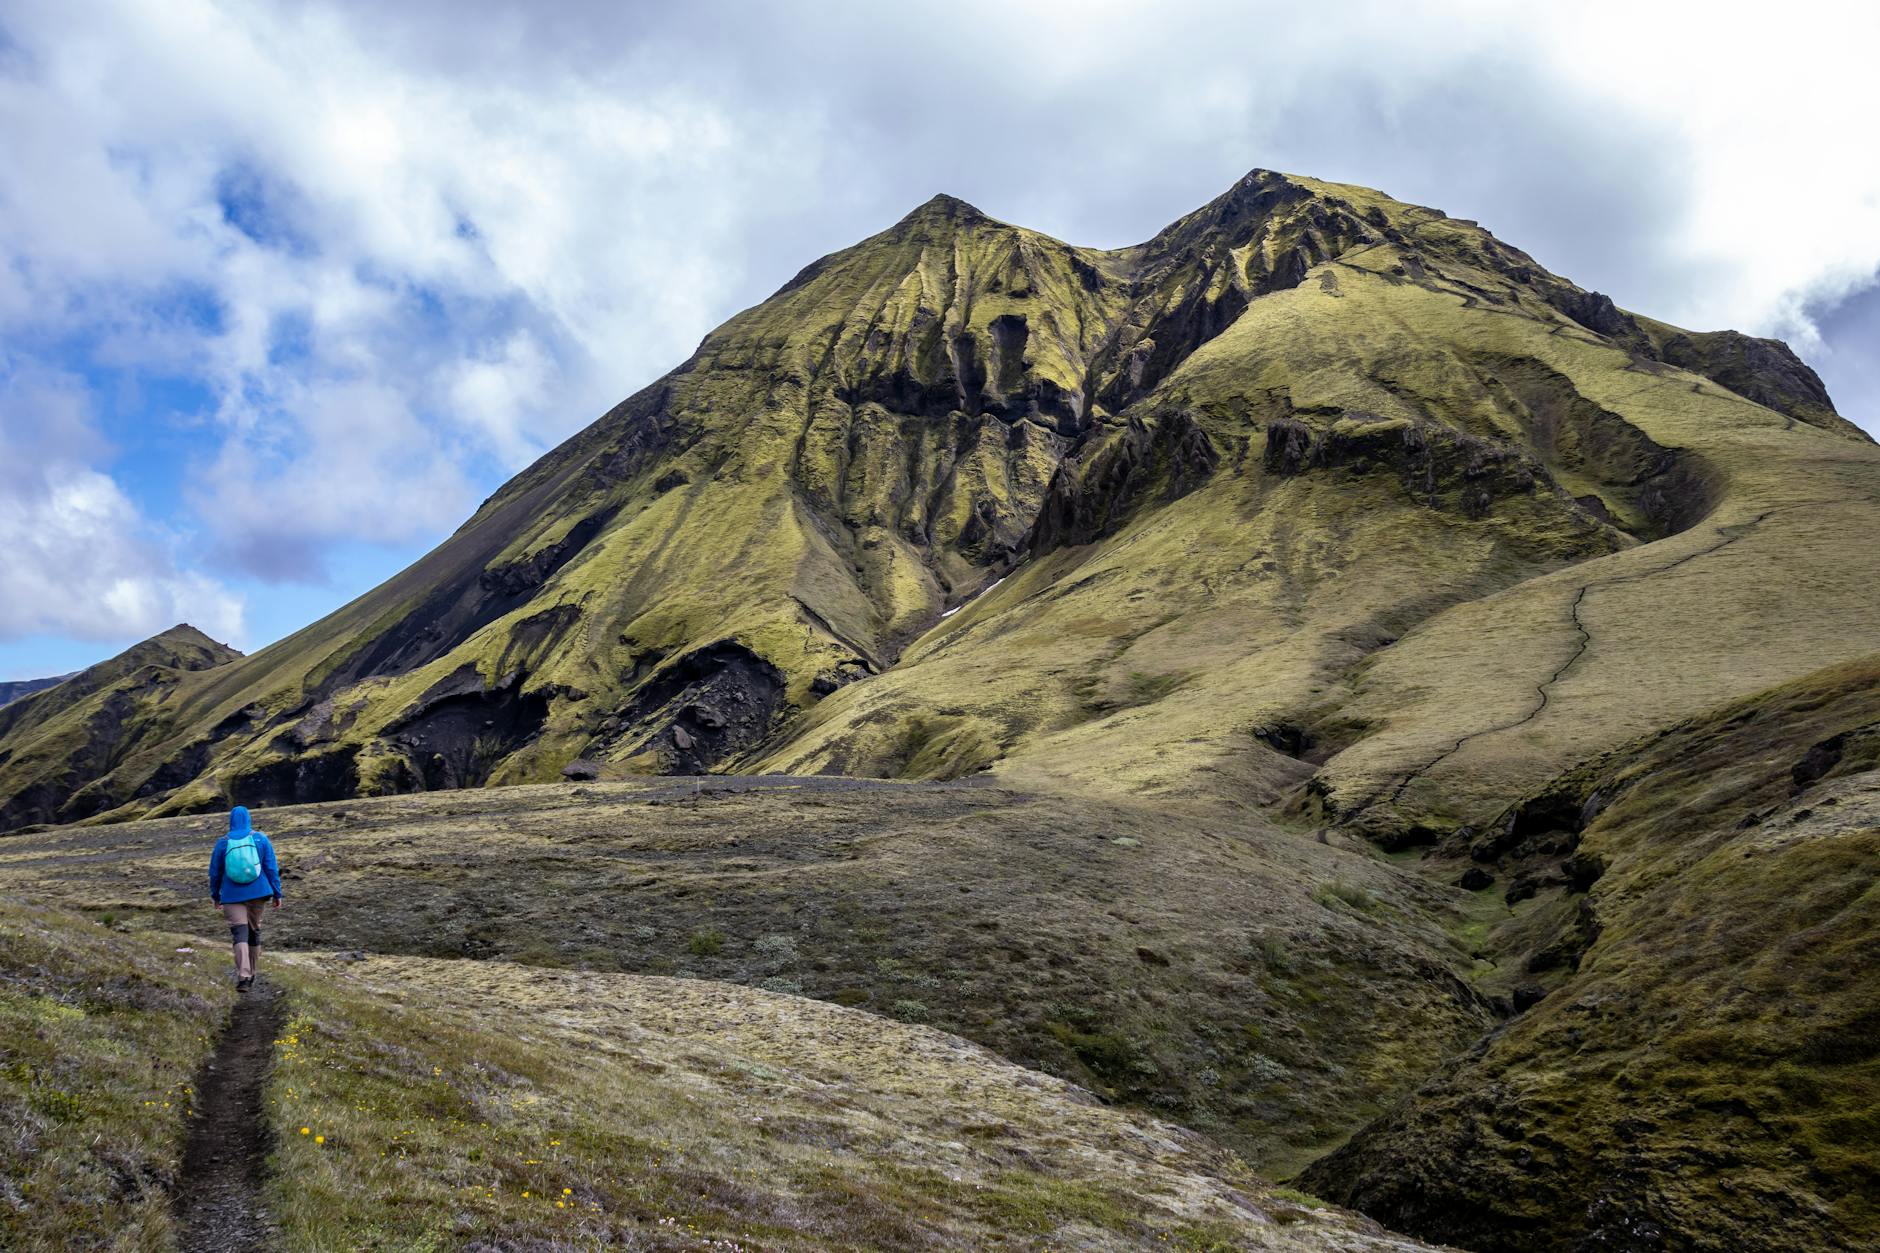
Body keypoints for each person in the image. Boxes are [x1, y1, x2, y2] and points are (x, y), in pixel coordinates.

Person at [208, 805, 282, 991]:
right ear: (249, 819)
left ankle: (244, 977)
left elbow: (215, 873)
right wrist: (277, 893)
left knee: (239, 933)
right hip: (258, 893)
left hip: (232, 895)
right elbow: (271, 868)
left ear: (231, 820)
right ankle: (252, 973)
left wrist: (216, 895)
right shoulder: (260, 839)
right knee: (253, 931)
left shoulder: (222, 843)